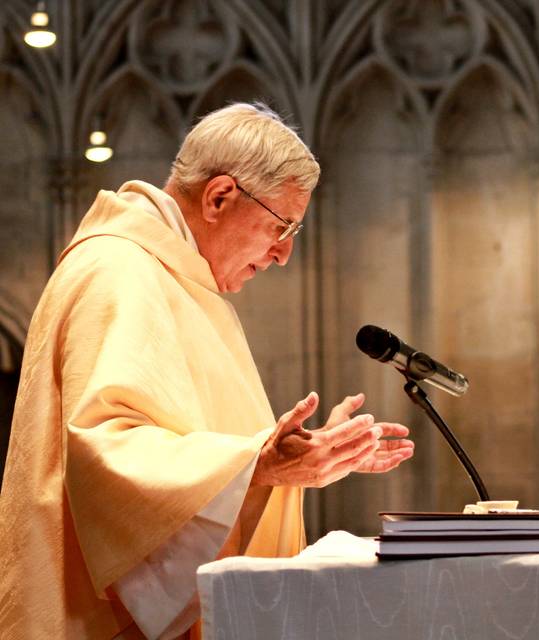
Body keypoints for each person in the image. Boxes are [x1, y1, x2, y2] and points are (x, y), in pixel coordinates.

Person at [0, 102, 415, 638]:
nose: (284, 253)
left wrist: (292, 461)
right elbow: (107, 453)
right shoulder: (118, 272)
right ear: (219, 197)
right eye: (281, 225)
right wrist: (258, 464)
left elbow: (193, 450)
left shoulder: (179, 280)